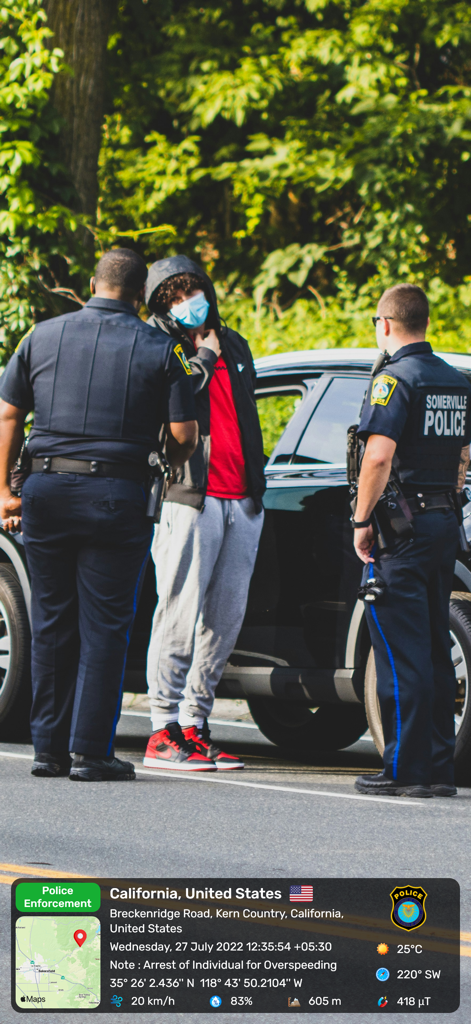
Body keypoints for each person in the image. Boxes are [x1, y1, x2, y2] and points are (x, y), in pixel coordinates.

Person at [0, 249, 198, 781]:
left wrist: (3, 492)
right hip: (117, 494)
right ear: (141, 295)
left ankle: (47, 750)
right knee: (105, 624)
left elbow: (8, 414)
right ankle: (90, 752)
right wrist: (165, 461)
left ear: (92, 284)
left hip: (46, 491)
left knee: (51, 618)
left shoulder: (40, 336)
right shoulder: (165, 349)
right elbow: (184, 435)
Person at [142, 255, 266, 771]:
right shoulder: (158, 347)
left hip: (242, 497)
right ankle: (161, 728)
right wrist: (205, 359)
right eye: (172, 298)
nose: (185, 304)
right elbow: (169, 407)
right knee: (177, 611)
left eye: (190, 293)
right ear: (160, 306)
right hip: (189, 495)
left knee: (224, 619)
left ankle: (195, 722)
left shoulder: (234, 343)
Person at [352, 283, 471, 798]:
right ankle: (440, 769)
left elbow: (378, 456)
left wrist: (362, 520)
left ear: (385, 324)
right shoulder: (455, 380)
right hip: (444, 522)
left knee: (401, 651)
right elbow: (463, 454)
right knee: (434, 646)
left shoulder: (394, 380)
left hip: (402, 530)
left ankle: (405, 770)